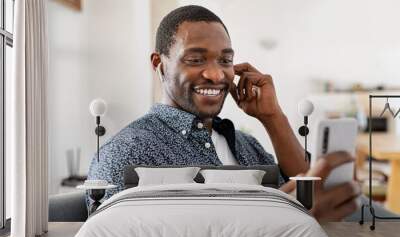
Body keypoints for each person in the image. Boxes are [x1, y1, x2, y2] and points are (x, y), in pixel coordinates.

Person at [87, 5, 360, 221]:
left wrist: (273, 117)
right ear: (159, 64)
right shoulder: (124, 154)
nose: (216, 74)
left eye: (225, 60)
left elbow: (309, 195)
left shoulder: (246, 145)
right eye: (195, 59)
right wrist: (277, 221)